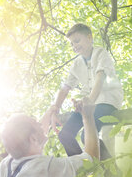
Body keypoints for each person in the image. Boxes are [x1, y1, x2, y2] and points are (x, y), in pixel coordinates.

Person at [0, 98, 99, 177]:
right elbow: (91, 160)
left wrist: (50, 112)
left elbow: (29, 143)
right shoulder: (45, 168)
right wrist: (88, 117)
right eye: (35, 121)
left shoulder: (5, 165)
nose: (39, 123)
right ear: (33, 139)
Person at [50, 23, 123, 160]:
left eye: (77, 41)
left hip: (107, 102)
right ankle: (84, 167)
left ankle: (111, 170)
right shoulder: (77, 64)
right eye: (72, 44)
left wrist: (89, 100)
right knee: (65, 134)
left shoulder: (101, 53)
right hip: (88, 105)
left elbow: (100, 78)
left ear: (89, 38)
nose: (74, 46)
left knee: (86, 136)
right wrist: (55, 109)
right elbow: (65, 88)